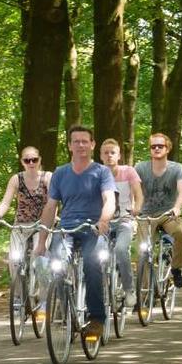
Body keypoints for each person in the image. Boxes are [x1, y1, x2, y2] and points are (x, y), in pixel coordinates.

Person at [34, 126, 116, 341]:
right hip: (66, 228)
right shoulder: (61, 173)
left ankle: (96, 318)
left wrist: (104, 220)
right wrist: (42, 241)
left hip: (93, 229)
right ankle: (66, 310)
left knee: (92, 263)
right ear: (69, 145)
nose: (80, 145)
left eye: (84, 141)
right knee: (56, 263)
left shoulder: (102, 172)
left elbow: (109, 199)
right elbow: (51, 207)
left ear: (92, 144)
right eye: (76, 141)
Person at [0, 146, 52, 281]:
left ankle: (42, 297)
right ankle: (17, 297)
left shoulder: (48, 177)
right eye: (27, 160)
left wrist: (52, 217)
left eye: (34, 159)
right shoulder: (16, 179)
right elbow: (5, 202)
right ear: (22, 162)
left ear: (39, 160)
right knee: (14, 260)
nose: (31, 163)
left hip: (42, 224)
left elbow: (53, 202)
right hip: (20, 225)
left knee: (40, 258)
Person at [134, 132, 182, 288]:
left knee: (181, 233)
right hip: (145, 215)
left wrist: (177, 208)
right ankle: (145, 293)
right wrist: (134, 208)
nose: (156, 149)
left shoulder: (177, 168)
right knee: (143, 252)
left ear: (168, 148)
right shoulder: (140, 168)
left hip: (167, 214)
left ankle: (177, 268)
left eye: (160, 146)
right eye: (153, 146)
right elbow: (134, 190)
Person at [99, 138, 143, 307]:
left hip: (125, 220)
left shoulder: (128, 171)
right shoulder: (97, 173)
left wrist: (137, 207)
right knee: (95, 254)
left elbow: (138, 194)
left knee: (120, 249)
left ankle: (129, 289)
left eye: (113, 153)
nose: (109, 156)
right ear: (101, 156)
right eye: (106, 153)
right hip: (104, 223)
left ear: (119, 156)